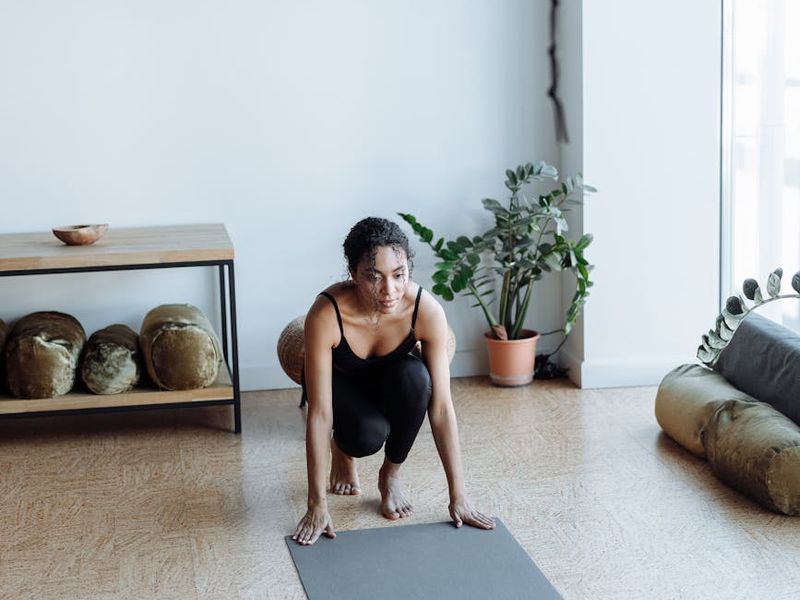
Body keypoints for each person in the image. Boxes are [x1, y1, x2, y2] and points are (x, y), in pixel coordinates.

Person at [292, 217, 495, 546]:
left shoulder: (424, 310)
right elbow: (319, 413)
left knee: (418, 378)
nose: (390, 291)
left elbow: (441, 408)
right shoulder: (327, 313)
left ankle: (391, 475)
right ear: (352, 272)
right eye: (374, 277)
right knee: (367, 436)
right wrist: (317, 504)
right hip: (340, 384)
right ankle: (343, 449)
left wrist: (459, 495)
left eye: (399, 275)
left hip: (387, 382)